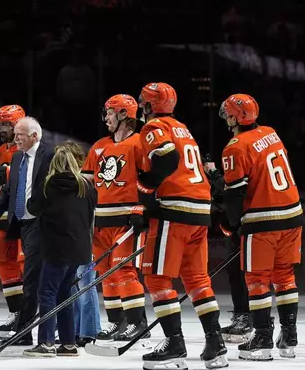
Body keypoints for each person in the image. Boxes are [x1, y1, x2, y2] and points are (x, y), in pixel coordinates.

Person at [135, 82, 227, 370]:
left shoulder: (153, 128)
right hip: (200, 209)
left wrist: (146, 185)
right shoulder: (183, 128)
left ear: (150, 106)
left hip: (175, 209)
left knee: (156, 278)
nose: (140, 107)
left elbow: (168, 157)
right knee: (197, 278)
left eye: (142, 103)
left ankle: (174, 344)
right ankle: (216, 343)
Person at [218, 94, 305, 361]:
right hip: (292, 213)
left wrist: (230, 224)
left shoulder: (234, 147)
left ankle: (263, 339)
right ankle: (289, 336)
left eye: (228, 114)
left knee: (256, 280)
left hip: (263, 219)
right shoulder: (271, 133)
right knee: (284, 277)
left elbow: (234, 195)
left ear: (234, 117)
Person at [81, 94, 149, 343]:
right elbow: (86, 183)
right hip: (101, 221)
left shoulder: (140, 144)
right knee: (106, 272)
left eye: (109, 112)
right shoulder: (99, 146)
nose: (106, 117)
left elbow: (151, 182)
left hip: (127, 220)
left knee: (124, 271)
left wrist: (142, 209)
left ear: (123, 114)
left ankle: (137, 323)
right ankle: (117, 323)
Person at [23, 143, 97, 357]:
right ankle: (68, 343)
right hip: (80, 249)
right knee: (65, 293)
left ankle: (46, 342)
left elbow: (32, 207)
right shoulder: (87, 187)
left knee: (47, 292)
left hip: (56, 249)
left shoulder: (48, 186)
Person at [0, 116, 54, 345]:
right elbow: (9, 190)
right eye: (15, 133)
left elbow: (62, 186)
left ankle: (24, 331)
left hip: (42, 224)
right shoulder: (17, 157)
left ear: (34, 136)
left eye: (20, 134)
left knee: (31, 279)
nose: (15, 138)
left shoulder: (50, 154)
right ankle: (24, 331)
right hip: (23, 224)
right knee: (30, 279)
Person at [0, 105, 26, 338]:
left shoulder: (29, 149)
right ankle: (16, 311)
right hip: (3, 215)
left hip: (21, 215)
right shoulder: (0, 151)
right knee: (4, 263)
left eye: (5, 125)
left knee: (24, 265)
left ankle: (30, 313)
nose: (1, 129)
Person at [204, 155, 252, 343]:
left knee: (252, 274)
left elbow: (231, 188)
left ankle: (253, 321)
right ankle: (243, 315)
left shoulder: (242, 150)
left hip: (252, 221)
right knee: (235, 271)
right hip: (240, 223)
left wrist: (214, 173)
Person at [63, 141, 101, 347]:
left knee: (86, 285)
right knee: (73, 286)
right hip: (75, 240)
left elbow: (93, 215)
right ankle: (77, 330)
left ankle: (90, 331)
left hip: (87, 240)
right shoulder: (71, 184)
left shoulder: (88, 184)